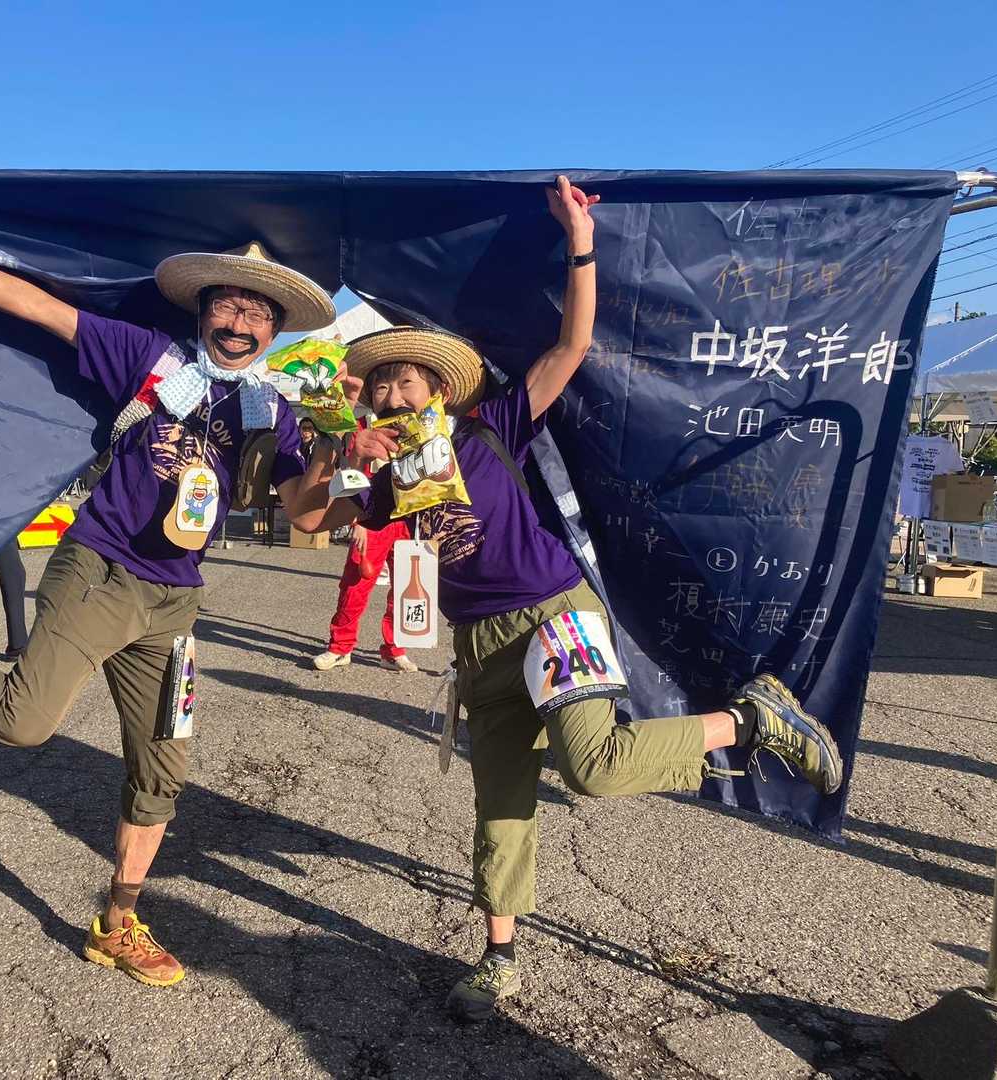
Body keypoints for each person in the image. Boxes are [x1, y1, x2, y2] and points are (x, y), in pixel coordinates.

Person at [290, 177, 844, 1023]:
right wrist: (336, 453)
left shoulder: (491, 428)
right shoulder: (386, 480)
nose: (392, 395)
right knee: (500, 802)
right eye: (380, 387)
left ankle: (752, 720)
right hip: (477, 644)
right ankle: (498, 956)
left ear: (439, 391)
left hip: (554, 612)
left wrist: (579, 241)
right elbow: (304, 519)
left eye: (406, 382)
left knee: (593, 767)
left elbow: (571, 345)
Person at [0, 201, 381, 988]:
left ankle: (117, 924)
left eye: (258, 313)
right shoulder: (151, 360)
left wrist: (353, 463)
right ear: (203, 309)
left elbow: (306, 513)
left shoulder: (274, 411)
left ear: (274, 330)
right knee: (20, 723)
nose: (239, 322)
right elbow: (32, 305)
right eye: (228, 304)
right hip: (99, 570)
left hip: (174, 601)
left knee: (162, 772)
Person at [310, 516, 417, 673]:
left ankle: (394, 651)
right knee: (354, 588)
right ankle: (341, 648)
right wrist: (358, 521)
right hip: (374, 519)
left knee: (406, 591)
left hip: (411, 521)